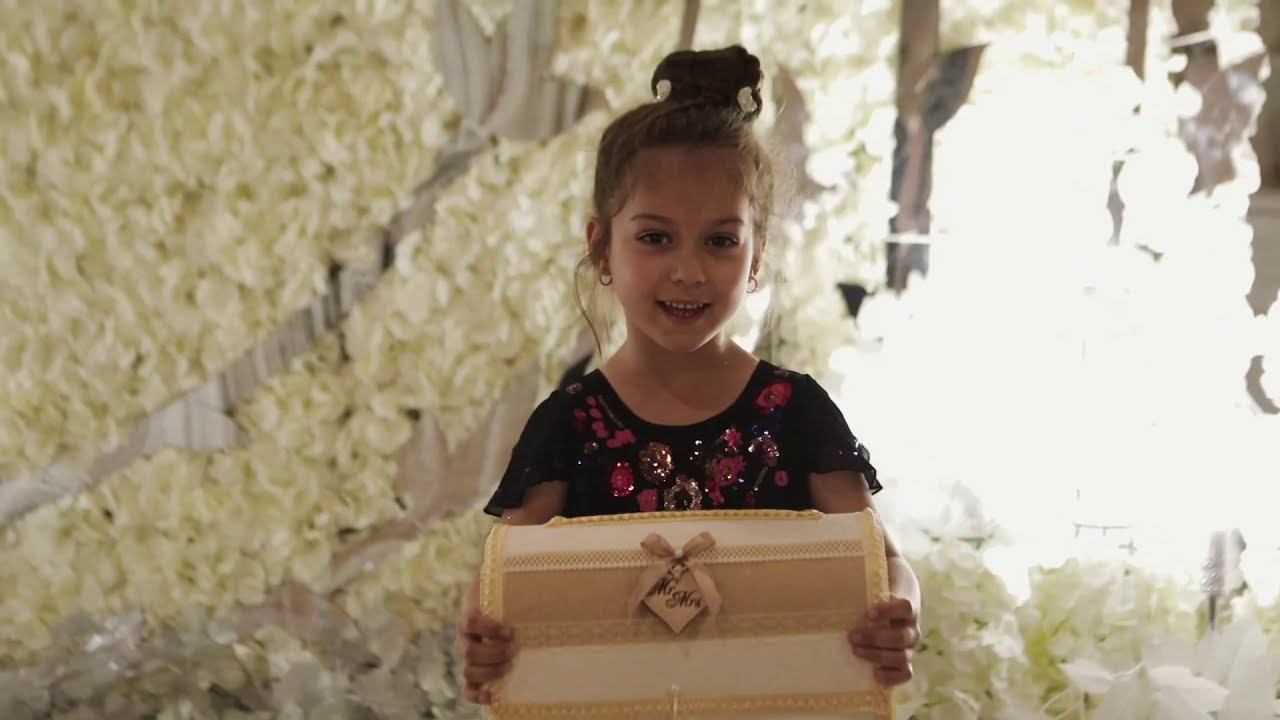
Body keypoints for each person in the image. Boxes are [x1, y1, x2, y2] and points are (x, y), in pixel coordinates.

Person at [455, 45, 921, 706]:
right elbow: (502, 581)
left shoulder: (796, 411)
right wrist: (480, 632)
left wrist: (899, 612)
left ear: (756, 257)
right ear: (601, 248)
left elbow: (886, 562)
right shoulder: (567, 424)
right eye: (655, 238)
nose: (688, 271)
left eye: (720, 241)